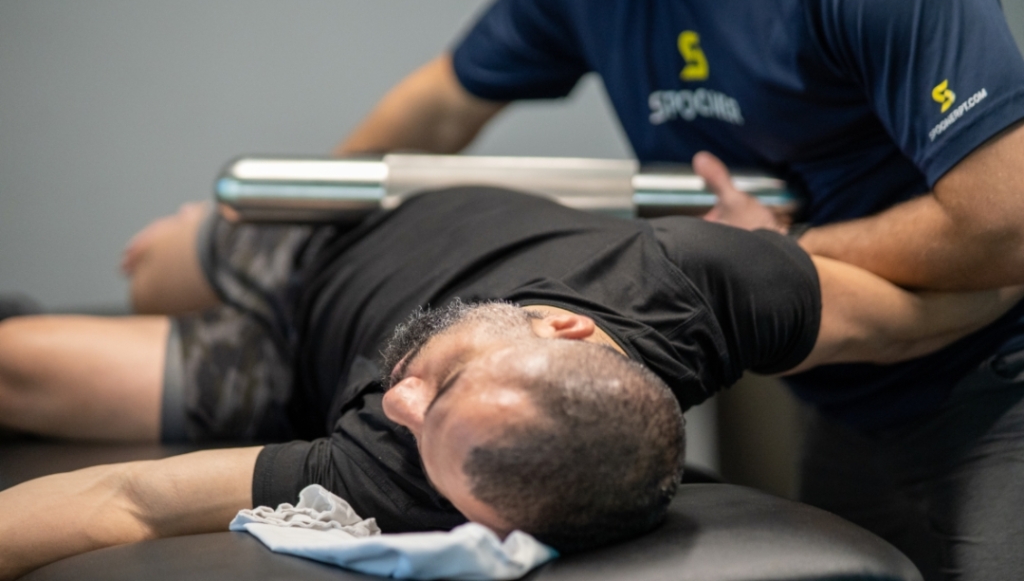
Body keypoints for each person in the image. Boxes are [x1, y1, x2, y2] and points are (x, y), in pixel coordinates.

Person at [120, 0, 1024, 577]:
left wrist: (788, 250)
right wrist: (280, 228)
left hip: (992, 372)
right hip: (841, 386)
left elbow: (1007, 223)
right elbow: (437, 109)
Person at [1, 186, 1019, 579]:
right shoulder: (705, 281)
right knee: (150, 263)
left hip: (276, 362)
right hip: (320, 240)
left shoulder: (393, 466)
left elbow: (124, 499)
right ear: (565, 327)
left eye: (424, 432)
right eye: (442, 385)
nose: (397, 405)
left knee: (19, 365)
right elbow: (916, 316)